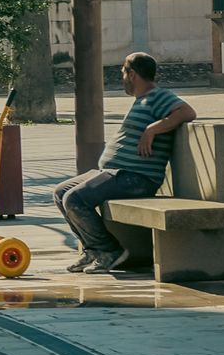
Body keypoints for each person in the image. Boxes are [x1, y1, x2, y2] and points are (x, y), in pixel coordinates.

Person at [57, 52, 196, 274]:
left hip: (135, 177)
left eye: (123, 71)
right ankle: (93, 250)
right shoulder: (143, 101)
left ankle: (109, 250)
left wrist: (151, 130)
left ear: (131, 74)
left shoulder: (157, 95)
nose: (121, 76)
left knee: (74, 199)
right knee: (60, 191)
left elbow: (187, 112)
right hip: (116, 172)